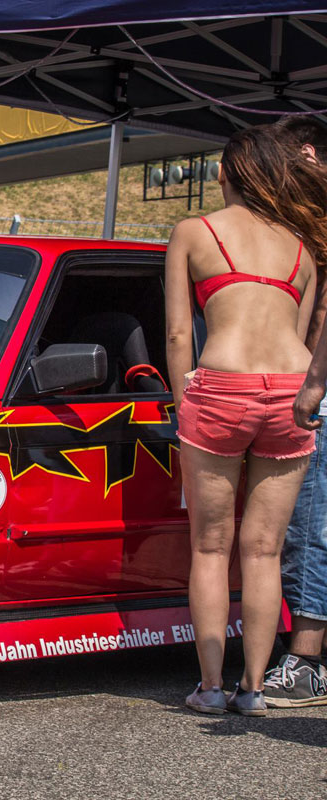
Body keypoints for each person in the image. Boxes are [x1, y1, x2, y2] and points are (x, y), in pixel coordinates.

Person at [166, 124, 326, 716]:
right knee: (263, 550)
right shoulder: (303, 246)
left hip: (222, 389)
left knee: (211, 547)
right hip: (291, 392)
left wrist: (184, 397)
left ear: (223, 175)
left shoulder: (193, 231)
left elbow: (181, 332)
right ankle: (255, 689)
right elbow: (303, 334)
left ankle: (210, 687)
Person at [280, 119, 327, 708]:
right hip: (303, 388)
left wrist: (311, 386)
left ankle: (308, 658)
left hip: (315, 392)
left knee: (309, 526)